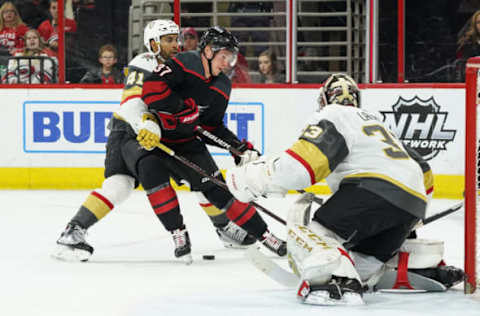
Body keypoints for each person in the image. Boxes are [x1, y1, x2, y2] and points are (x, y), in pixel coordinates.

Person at [225, 74, 464, 305]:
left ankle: (337, 284)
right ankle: (389, 268)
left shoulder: (334, 115)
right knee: (362, 259)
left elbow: (300, 168)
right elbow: (424, 172)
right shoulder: (377, 125)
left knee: (314, 235)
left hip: (372, 189)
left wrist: (253, 178)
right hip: (413, 203)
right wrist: (411, 220)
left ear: (325, 98)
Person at [52, 21, 262, 263]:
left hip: (166, 134)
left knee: (202, 178)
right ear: (153, 44)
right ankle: (73, 232)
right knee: (119, 185)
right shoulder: (145, 63)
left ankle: (224, 227)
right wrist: (147, 125)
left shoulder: (183, 66)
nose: (176, 44)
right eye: (169, 40)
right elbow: (131, 103)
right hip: (130, 132)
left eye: (177, 39)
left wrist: (234, 146)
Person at [112, 25, 286, 263]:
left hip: (185, 142)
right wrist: (181, 108)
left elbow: (210, 126)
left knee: (219, 189)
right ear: (208, 51)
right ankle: (178, 233)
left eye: (231, 57)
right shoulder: (184, 63)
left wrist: (237, 147)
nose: (228, 63)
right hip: (154, 137)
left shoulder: (223, 85)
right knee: (152, 174)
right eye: (224, 55)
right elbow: (151, 90)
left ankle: (267, 236)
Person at [456, 9, 480, 81]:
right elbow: (464, 69)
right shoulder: (467, 44)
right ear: (474, 25)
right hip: (473, 84)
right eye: (479, 22)